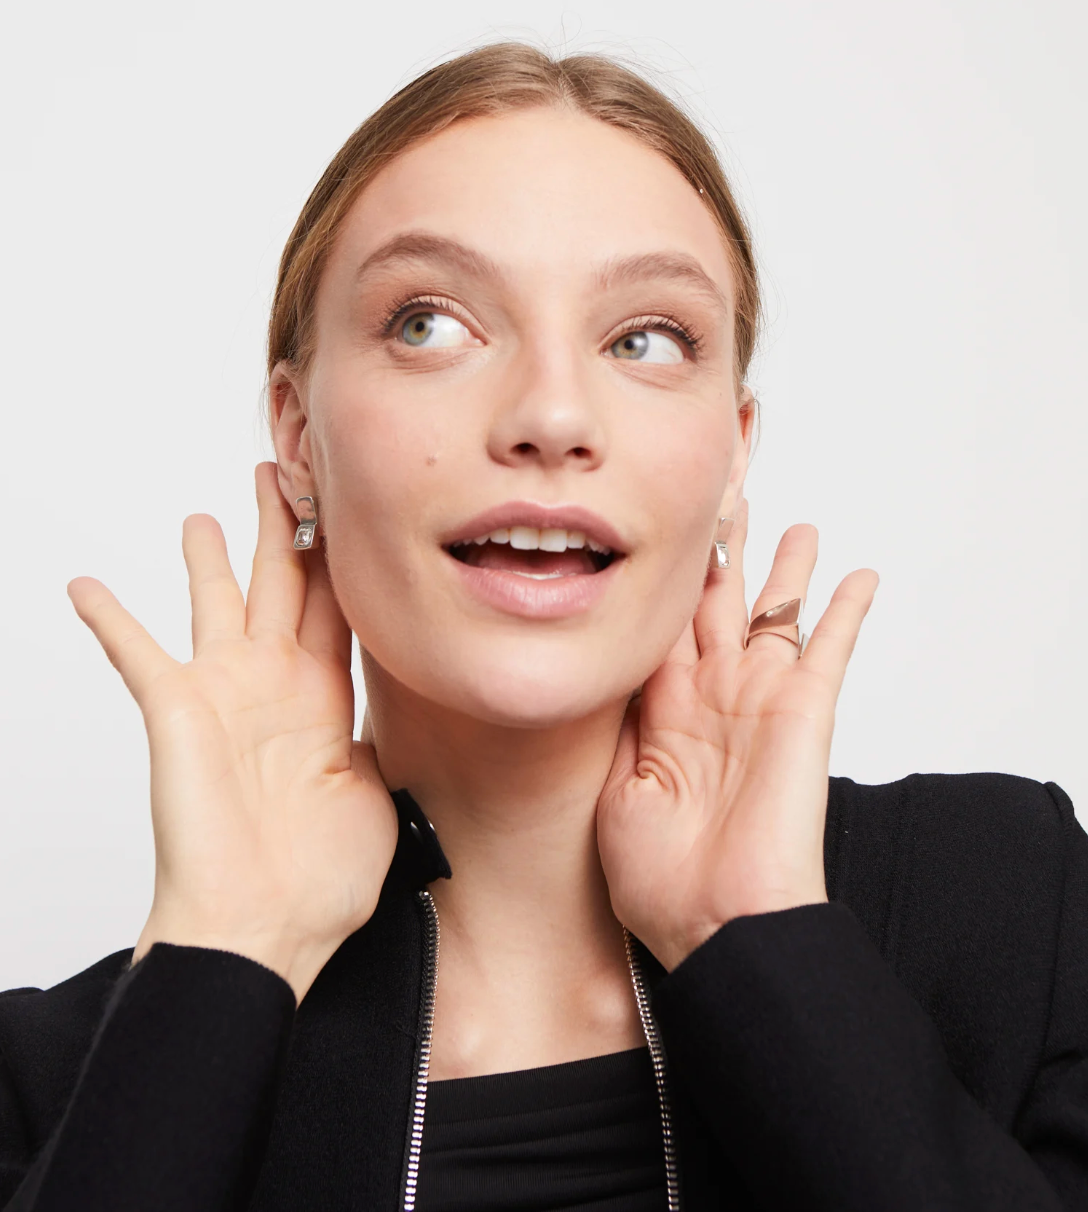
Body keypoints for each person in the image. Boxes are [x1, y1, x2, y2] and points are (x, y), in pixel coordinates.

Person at [0, 41, 1085, 1212]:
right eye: (428, 323)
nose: (551, 416)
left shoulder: (1011, 912)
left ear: (732, 453)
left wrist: (763, 943)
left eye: (646, 339)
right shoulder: (53, 1084)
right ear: (299, 437)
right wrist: (222, 960)